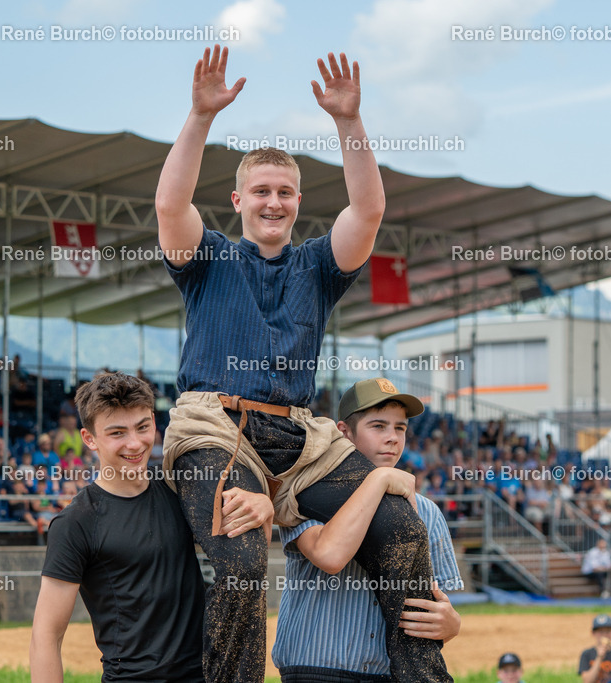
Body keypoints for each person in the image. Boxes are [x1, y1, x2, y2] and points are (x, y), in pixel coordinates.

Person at [156, 44, 448, 683]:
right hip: (214, 428)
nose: (273, 202)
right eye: (261, 191)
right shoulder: (208, 259)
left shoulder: (317, 264)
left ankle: (424, 675)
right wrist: (201, 116)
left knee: (399, 523)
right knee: (239, 563)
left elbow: (368, 211)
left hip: (301, 437)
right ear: (237, 201)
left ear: (296, 201)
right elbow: (170, 207)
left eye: (285, 192)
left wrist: (349, 122)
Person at [30, 372, 274, 682]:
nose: (135, 443)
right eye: (117, 432)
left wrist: (265, 509)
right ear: (89, 438)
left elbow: (245, 564)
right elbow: (46, 635)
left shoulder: (181, 491)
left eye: (143, 427)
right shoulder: (75, 523)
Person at [273, 379, 463, 682]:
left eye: (400, 428)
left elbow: (431, 600)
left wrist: (451, 624)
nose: (392, 438)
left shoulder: (427, 511)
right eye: (378, 426)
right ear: (343, 432)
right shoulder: (306, 492)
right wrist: (379, 479)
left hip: (387, 673)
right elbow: (330, 554)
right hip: (316, 668)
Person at [578, 614, 611, 683]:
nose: (604, 635)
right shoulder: (587, 654)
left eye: (608, 631)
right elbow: (587, 680)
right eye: (601, 632)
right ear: (593, 633)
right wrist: (599, 657)